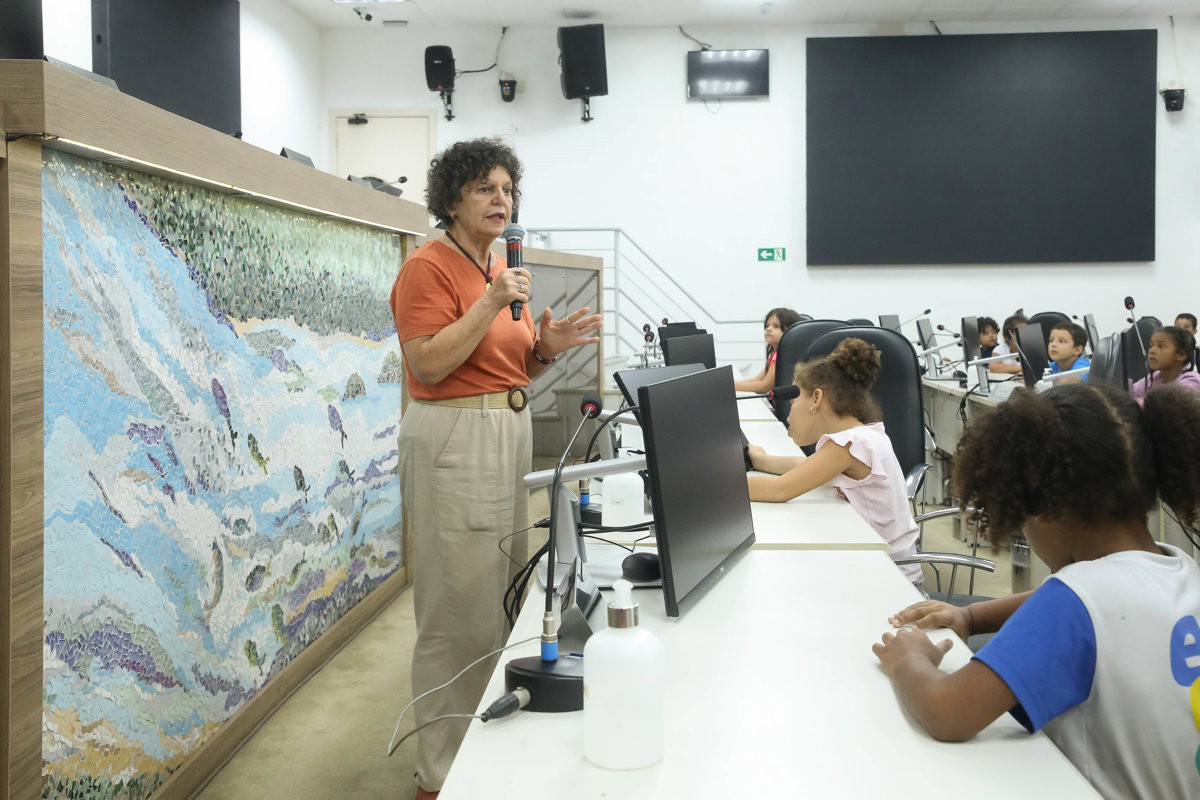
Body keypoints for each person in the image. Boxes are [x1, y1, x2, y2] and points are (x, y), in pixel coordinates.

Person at [390, 137, 602, 799]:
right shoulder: (432, 267)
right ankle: (441, 775)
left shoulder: (492, 270)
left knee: (500, 594)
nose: (500, 200)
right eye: (484, 187)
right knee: (457, 607)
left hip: (503, 431)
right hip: (457, 436)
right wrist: (490, 303)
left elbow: (503, 366)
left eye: (507, 189)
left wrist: (545, 349)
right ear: (451, 199)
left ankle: (482, 752)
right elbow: (427, 363)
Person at [873, 383, 1200, 800]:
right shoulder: (1178, 568)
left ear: (1043, 508)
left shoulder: (1077, 599)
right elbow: (1093, 607)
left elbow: (947, 712)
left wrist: (908, 660)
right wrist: (972, 617)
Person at [745, 338, 922, 587]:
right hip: (877, 564)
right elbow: (806, 467)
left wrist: (707, 485)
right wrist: (760, 460)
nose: (789, 414)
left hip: (892, 580)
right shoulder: (862, 435)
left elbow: (779, 490)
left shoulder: (849, 445)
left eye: (794, 403)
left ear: (816, 399)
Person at [734, 307, 802, 393]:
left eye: (776, 326)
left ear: (790, 331)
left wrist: (732, 386)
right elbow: (757, 379)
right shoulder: (775, 354)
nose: (768, 329)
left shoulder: (781, 357)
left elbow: (764, 387)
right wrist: (732, 384)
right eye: (767, 326)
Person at [1129, 325, 1200, 402]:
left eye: (1160, 346)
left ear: (1181, 355)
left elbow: (1170, 405)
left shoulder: (1191, 381)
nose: (1151, 351)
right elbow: (1131, 393)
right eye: (1151, 346)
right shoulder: (1154, 377)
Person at [989, 311, 1027, 375]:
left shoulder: (1033, 348)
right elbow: (993, 366)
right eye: (1020, 331)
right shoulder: (1001, 349)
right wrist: (1022, 368)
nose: (1025, 335)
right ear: (1008, 335)